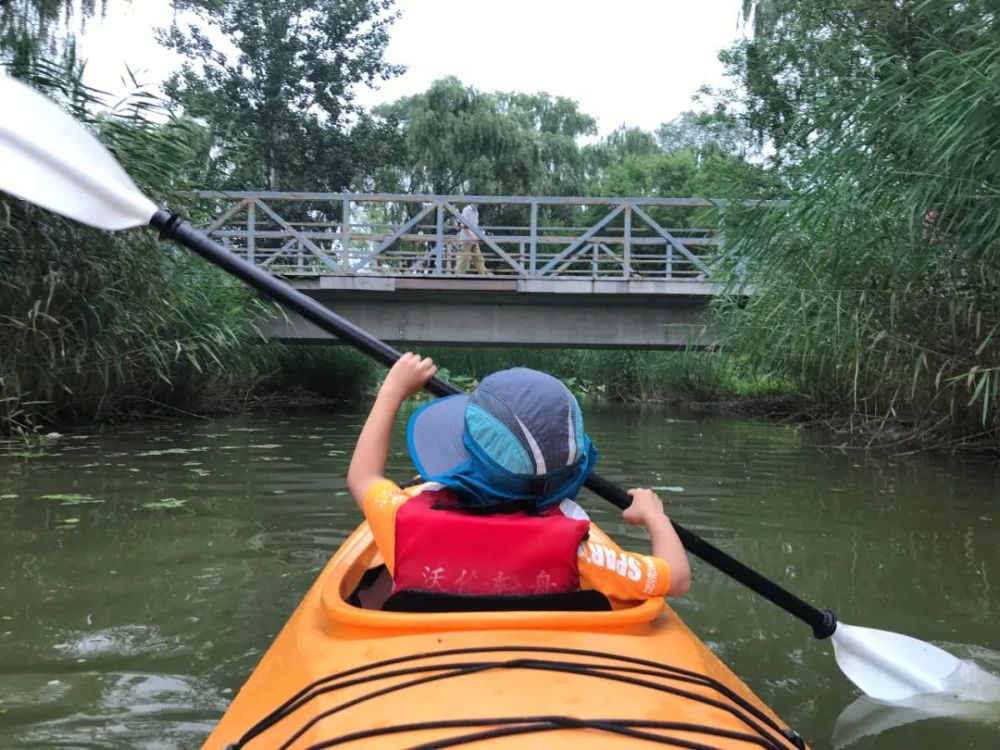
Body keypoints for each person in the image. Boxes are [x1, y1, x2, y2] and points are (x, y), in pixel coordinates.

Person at [347, 353, 691, 604]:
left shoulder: (399, 521)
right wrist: (654, 517)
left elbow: (362, 476)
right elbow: (676, 577)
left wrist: (392, 389)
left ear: (461, 459)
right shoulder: (578, 555)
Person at [455, 203, 488, 275]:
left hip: (474, 240)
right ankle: (458, 277)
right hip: (466, 239)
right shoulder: (466, 210)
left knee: (479, 259)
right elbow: (464, 224)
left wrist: (477, 235)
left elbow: (475, 225)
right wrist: (472, 235)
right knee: (463, 259)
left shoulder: (476, 212)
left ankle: (483, 276)